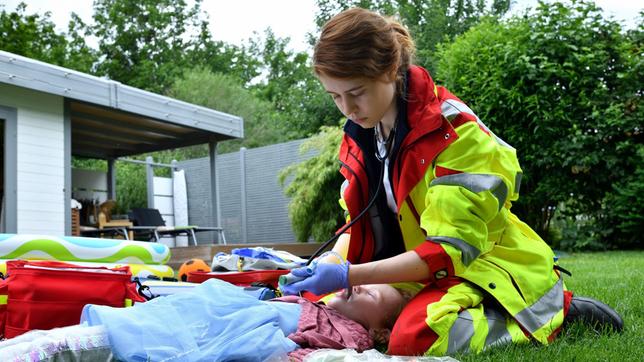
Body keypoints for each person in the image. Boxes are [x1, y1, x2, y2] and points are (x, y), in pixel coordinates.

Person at [280, 7, 624, 356]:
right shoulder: (362, 134)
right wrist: (333, 263)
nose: (347, 109)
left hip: (480, 264)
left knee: (415, 337)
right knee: (313, 304)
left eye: (356, 92)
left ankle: (548, 312)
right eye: (335, 96)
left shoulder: (456, 134)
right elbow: (357, 224)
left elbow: (450, 251)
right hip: (416, 271)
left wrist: (349, 276)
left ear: (389, 71)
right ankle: (406, 311)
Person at [0, 278, 409, 362]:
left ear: (379, 331)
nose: (360, 286)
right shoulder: (315, 306)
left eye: (372, 293)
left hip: (194, 336)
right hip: (180, 318)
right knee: (56, 338)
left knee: (62, 349)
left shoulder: (348, 337)